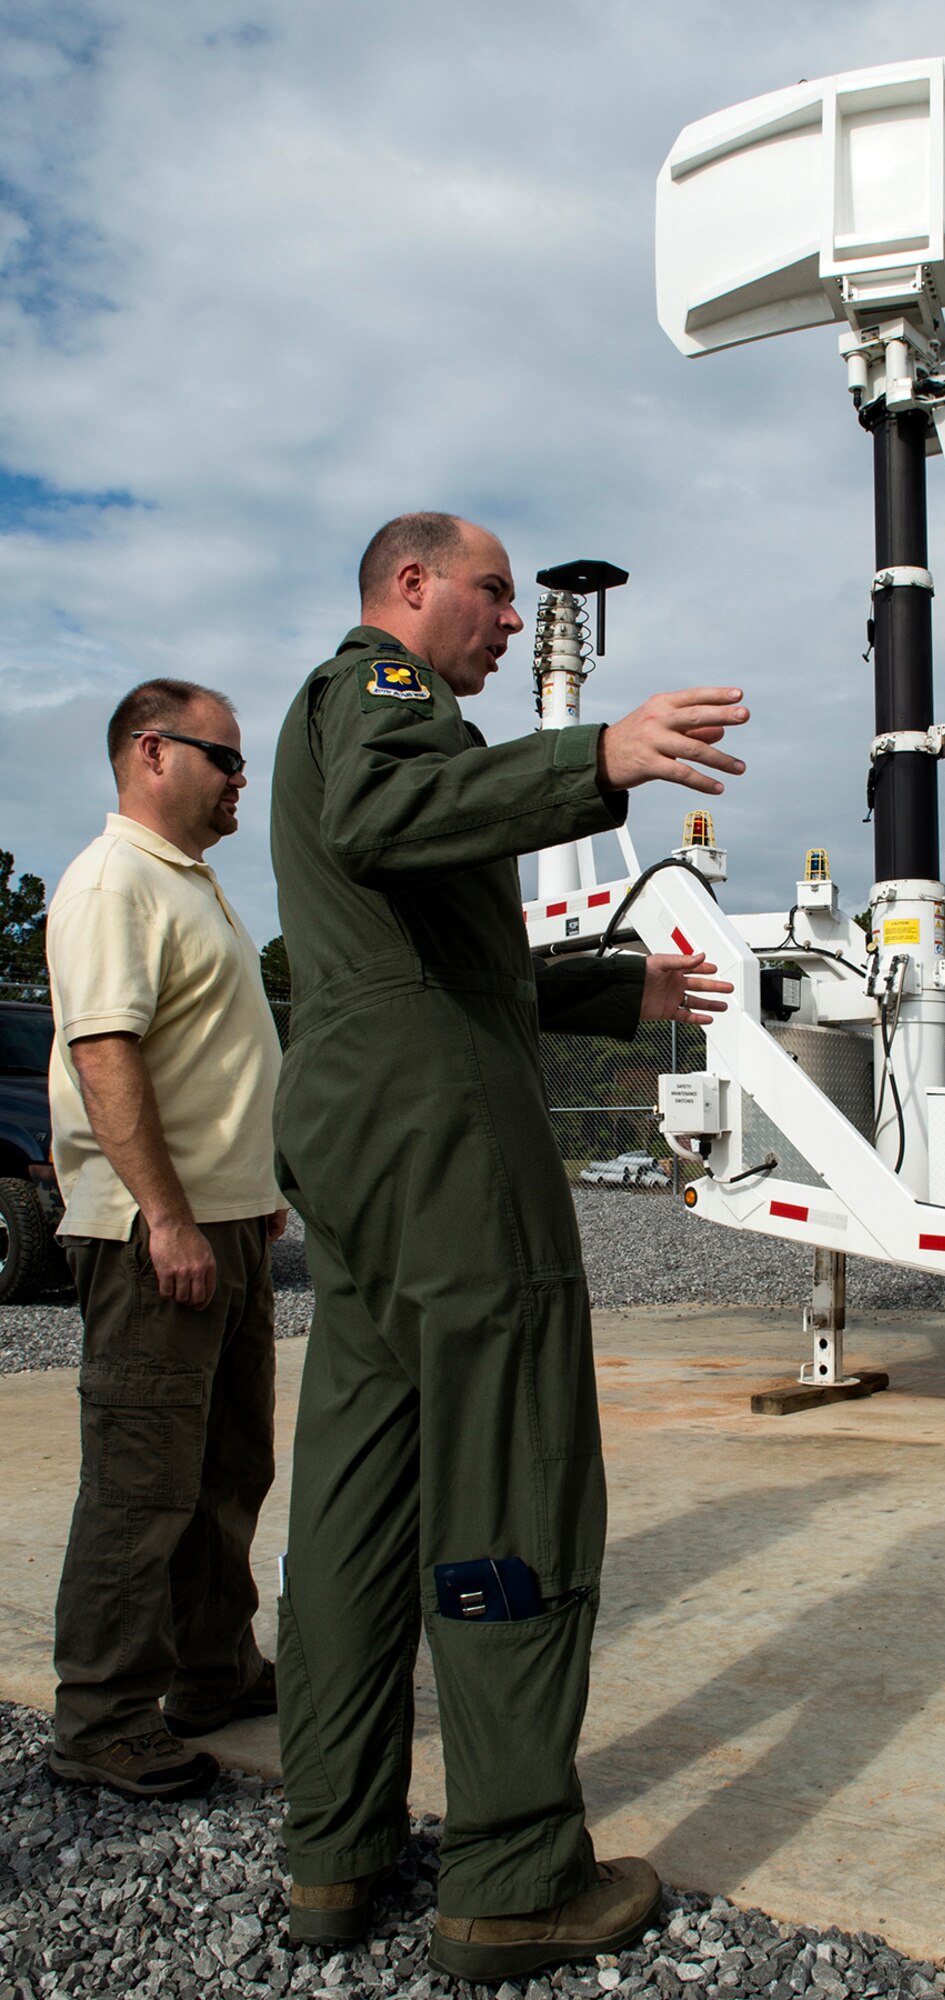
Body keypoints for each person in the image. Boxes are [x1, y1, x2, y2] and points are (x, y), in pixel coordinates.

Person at [270, 511, 747, 1978]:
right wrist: (595, 758)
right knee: (513, 1476)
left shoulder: (354, 732)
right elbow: (382, 816)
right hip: (445, 1143)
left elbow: (404, 949)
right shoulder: (383, 705)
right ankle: (514, 1872)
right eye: (487, 593)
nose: (502, 618)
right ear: (408, 588)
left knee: (356, 1503)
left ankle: (335, 1860)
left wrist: (615, 990)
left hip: (356, 1140)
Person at [45, 679, 287, 1801]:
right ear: (152, 751)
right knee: (143, 1487)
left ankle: (212, 1672)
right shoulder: (113, 883)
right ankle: (102, 1719)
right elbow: (106, 1056)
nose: (241, 778)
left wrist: (244, 1192)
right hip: (156, 1237)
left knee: (228, 1468)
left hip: (221, 1225)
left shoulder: (191, 882)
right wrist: (169, 1214)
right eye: (223, 758)